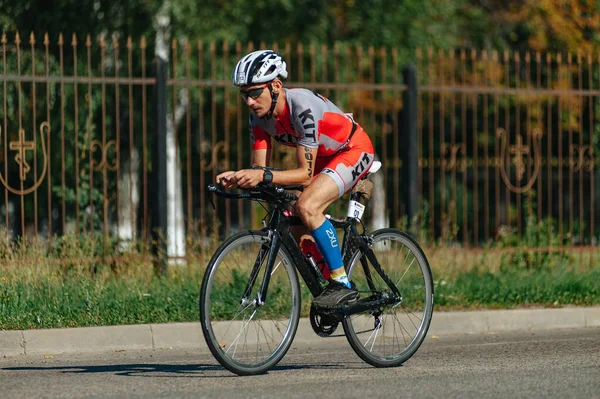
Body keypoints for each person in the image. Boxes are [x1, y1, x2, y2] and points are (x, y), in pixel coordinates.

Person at [216, 50, 374, 309]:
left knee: (308, 206)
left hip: (352, 149)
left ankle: (341, 283)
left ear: (276, 85)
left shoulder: (302, 107)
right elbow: (260, 170)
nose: (249, 101)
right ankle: (328, 279)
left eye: (255, 92)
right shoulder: (258, 117)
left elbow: (305, 173)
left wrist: (262, 175)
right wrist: (239, 177)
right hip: (324, 157)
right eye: (244, 94)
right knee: (292, 215)